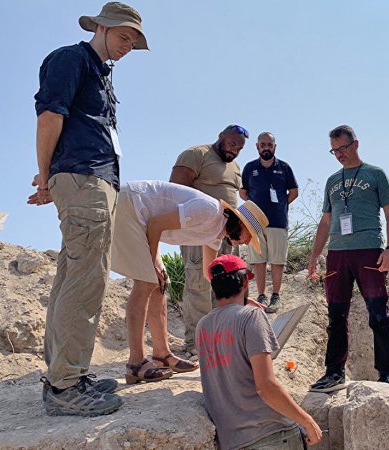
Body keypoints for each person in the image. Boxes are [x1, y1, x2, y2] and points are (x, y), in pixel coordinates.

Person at [28, 2, 148, 417]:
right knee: (86, 279)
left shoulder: (101, 74)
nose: (129, 45)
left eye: (134, 40)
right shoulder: (71, 58)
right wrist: (46, 177)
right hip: (82, 179)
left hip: (93, 181)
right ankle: (64, 387)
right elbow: (49, 116)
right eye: (123, 36)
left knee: (74, 275)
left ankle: (67, 373)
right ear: (100, 27)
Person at [110, 180, 268, 384]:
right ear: (241, 223)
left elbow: (209, 274)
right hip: (130, 205)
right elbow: (156, 224)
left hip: (145, 221)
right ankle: (135, 363)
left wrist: (242, 301)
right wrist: (152, 263)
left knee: (160, 284)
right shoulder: (208, 211)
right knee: (147, 282)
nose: (247, 242)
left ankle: (162, 354)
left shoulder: (215, 233)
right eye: (250, 235)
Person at [307, 125, 389, 393]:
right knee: (336, 316)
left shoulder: (375, 174)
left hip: (368, 249)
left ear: (356, 144)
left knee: (378, 313)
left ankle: (387, 373)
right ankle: (334, 373)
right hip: (337, 254)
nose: (339, 155)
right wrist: (314, 255)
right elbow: (325, 222)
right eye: (334, 150)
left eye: (343, 148)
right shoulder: (332, 181)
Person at [197, 254, 322, 450]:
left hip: (232, 441)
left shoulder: (202, 325)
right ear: (245, 281)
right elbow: (266, 387)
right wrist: (307, 421)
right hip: (270, 434)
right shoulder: (251, 317)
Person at [169, 124, 247, 355]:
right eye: (232, 144)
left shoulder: (235, 167)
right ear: (221, 137)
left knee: (227, 285)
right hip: (197, 232)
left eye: (240, 148)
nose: (234, 151)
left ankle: (221, 339)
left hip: (227, 235)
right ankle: (196, 343)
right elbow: (174, 191)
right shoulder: (196, 155)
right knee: (198, 283)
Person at [240, 132, 299, 314]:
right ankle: (261, 295)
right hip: (254, 222)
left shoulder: (284, 168)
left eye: (270, 144)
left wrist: (280, 205)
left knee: (277, 260)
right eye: (263, 144)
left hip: (277, 221)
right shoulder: (250, 168)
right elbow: (243, 192)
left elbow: (294, 192)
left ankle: (275, 295)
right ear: (257, 146)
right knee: (258, 259)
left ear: (275, 146)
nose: (266, 147)